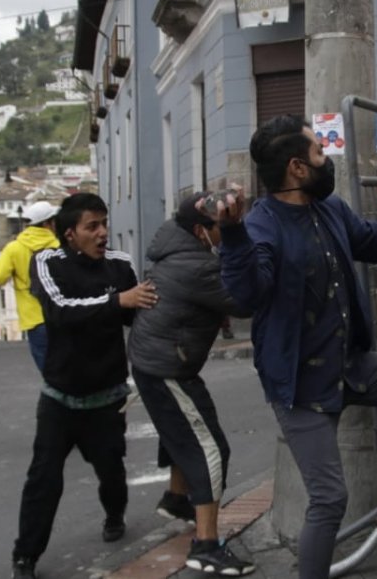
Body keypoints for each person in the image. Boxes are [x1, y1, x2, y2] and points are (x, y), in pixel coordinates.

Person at [209, 114, 377, 579]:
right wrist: (234, 235)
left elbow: (375, 239)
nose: (328, 160)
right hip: (301, 384)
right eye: (319, 152)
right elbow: (246, 296)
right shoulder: (261, 225)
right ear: (297, 168)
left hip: (354, 365)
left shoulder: (330, 209)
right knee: (329, 500)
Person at [10, 193, 158, 579]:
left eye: (104, 223)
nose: (103, 233)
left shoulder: (120, 265)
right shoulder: (47, 262)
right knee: (44, 477)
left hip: (107, 396)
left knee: (111, 470)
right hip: (59, 396)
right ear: (70, 233)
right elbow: (59, 312)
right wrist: (116, 301)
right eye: (92, 226)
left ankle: (114, 514)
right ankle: (25, 555)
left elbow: (138, 318)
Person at [126, 194, 255, 575]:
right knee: (211, 448)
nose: (226, 229)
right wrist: (241, 245)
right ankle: (206, 546)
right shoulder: (197, 266)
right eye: (221, 225)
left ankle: (177, 498)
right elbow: (244, 301)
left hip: (160, 363)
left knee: (186, 431)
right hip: (166, 367)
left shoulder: (178, 243)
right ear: (201, 232)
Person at [0, 201, 61, 372]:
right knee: (68, 370)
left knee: (49, 374)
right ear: (47, 224)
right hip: (63, 318)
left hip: (34, 321)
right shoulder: (60, 247)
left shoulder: (14, 248)